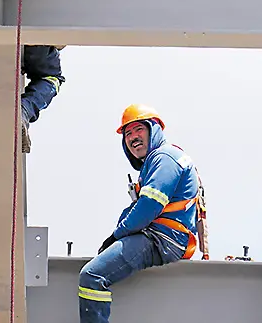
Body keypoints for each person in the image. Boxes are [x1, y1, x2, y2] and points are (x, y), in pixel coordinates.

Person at [78, 104, 202, 323]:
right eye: (128, 134)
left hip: (161, 240)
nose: (133, 137)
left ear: (153, 130)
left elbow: (148, 206)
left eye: (139, 130)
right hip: (162, 238)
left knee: (92, 276)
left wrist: (117, 235)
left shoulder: (165, 159)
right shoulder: (160, 161)